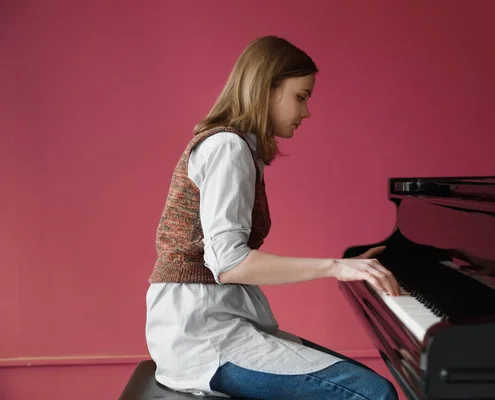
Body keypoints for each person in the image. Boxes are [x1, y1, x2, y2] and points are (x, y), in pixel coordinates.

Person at [145, 35, 401, 399]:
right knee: (371, 394)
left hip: (223, 321)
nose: (306, 111)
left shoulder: (243, 149)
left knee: (365, 382)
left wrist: (343, 265)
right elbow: (229, 264)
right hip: (200, 334)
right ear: (267, 89)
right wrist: (335, 267)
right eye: (301, 96)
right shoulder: (228, 147)